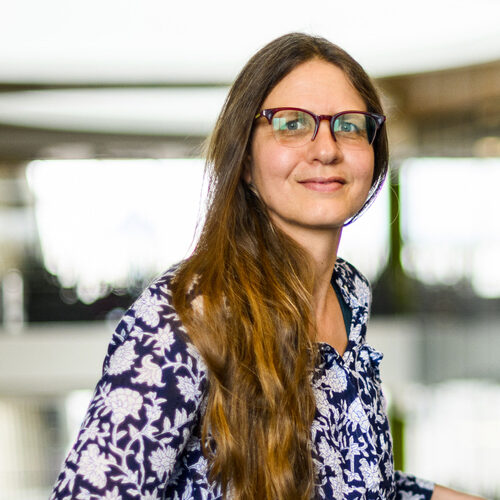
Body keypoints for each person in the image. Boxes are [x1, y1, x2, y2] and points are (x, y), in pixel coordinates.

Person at [50, 33, 484, 500]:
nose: (326, 149)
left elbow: (350, 481)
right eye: (292, 124)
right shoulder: (185, 314)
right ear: (245, 160)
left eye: (350, 126)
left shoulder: (348, 295)